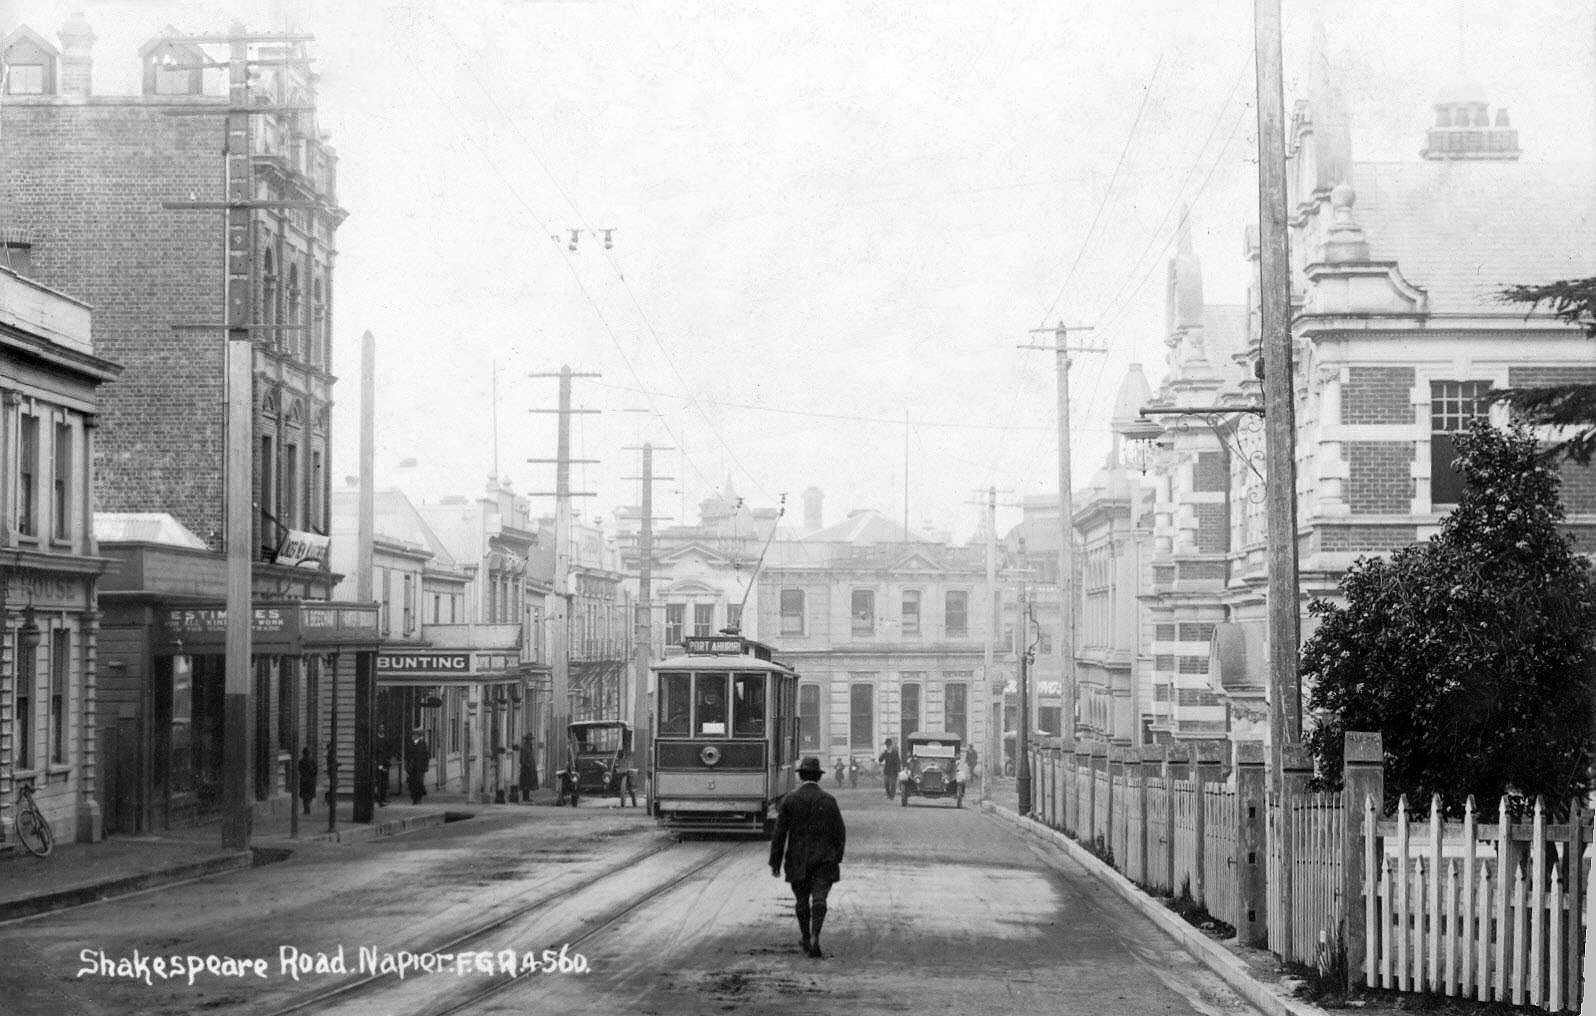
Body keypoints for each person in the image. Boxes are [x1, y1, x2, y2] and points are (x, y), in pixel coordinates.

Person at [769, 756, 846, 959]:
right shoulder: (829, 800)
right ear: (818, 777)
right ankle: (815, 935)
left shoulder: (790, 800)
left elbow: (779, 834)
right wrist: (837, 857)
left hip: (798, 859)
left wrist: (775, 862)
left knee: (802, 900)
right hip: (824, 859)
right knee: (819, 898)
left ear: (801, 776)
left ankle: (804, 936)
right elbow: (840, 832)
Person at [404, 726, 432, 805]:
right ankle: (414, 798)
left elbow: (426, 756)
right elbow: (407, 755)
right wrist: (407, 765)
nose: (414, 736)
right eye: (413, 734)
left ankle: (419, 797)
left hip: (420, 767)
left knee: (419, 782)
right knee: (412, 782)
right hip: (411, 766)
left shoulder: (423, 744)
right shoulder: (410, 743)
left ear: (419, 735)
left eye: (416, 734)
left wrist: (425, 766)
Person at [297, 746, 317, 815]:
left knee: (304, 795)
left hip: (303, 780)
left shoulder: (301, 761)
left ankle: (306, 807)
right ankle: (307, 806)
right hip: (311, 780)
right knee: (310, 795)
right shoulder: (312, 760)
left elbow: (299, 769)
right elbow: (316, 770)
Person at [519, 732, 539, 801]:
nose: (531, 741)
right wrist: (527, 765)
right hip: (526, 769)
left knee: (529, 783)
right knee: (525, 783)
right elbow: (522, 759)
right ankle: (525, 797)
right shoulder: (524, 748)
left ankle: (527, 797)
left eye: (531, 739)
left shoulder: (530, 747)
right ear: (527, 740)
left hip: (530, 768)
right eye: (529, 739)